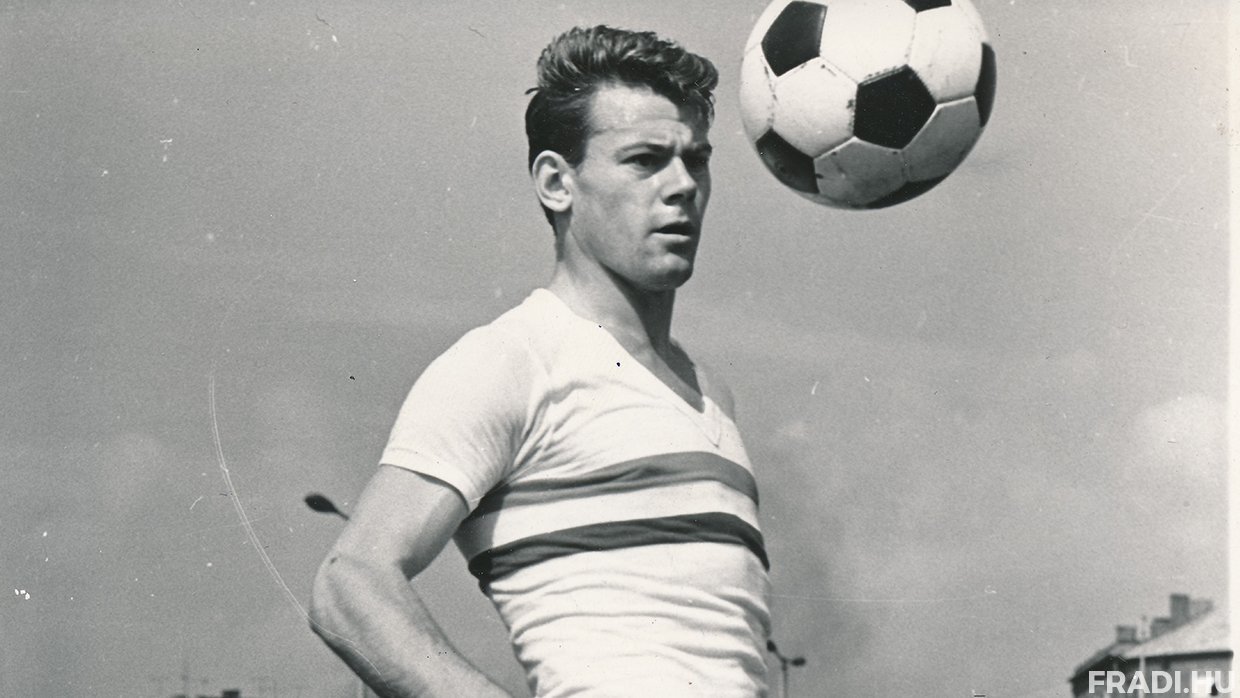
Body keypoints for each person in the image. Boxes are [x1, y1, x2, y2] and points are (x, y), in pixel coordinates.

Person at [309, 25, 771, 698]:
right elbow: (349, 584)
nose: (682, 186)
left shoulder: (709, 393)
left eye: (695, 161)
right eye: (645, 160)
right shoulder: (513, 361)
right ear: (557, 182)